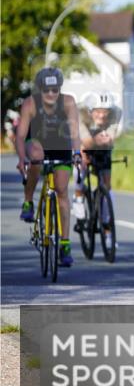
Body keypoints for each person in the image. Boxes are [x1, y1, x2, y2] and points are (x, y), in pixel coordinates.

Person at [15, 68, 82, 267]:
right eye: (46, 90)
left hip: (60, 145)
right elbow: (20, 136)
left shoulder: (68, 102)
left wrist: (77, 153)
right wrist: (21, 159)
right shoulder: (30, 104)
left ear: (60, 89)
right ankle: (28, 201)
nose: (51, 94)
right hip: (36, 143)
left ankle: (65, 244)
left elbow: (75, 132)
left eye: (55, 90)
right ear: (40, 89)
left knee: (61, 190)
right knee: (37, 156)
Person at [79, 91, 122, 230]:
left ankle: (106, 223)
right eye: (98, 111)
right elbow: (85, 142)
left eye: (106, 112)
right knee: (80, 171)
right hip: (81, 142)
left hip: (101, 145)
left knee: (107, 184)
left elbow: (110, 139)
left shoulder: (116, 112)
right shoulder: (80, 114)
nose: (102, 115)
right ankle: (78, 198)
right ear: (90, 111)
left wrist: (104, 140)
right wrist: (85, 150)